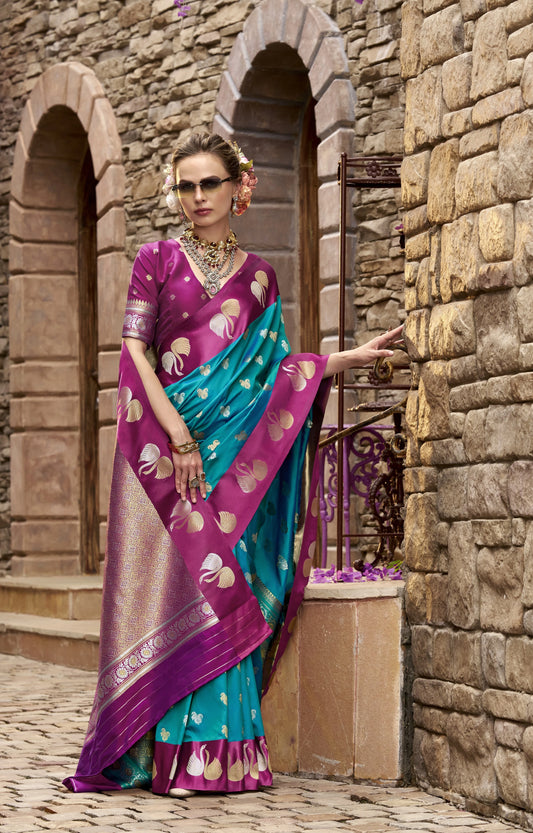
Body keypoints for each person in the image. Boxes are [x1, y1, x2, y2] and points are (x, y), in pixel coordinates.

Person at [64, 133, 402, 797]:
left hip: (237, 455)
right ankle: (160, 755)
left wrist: (345, 359)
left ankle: (218, 757)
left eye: (208, 185)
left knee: (224, 589)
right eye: (185, 186)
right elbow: (134, 352)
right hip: (168, 452)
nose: (196, 199)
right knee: (173, 590)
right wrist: (178, 435)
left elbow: (276, 371)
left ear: (236, 189)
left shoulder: (258, 278)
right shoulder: (156, 259)